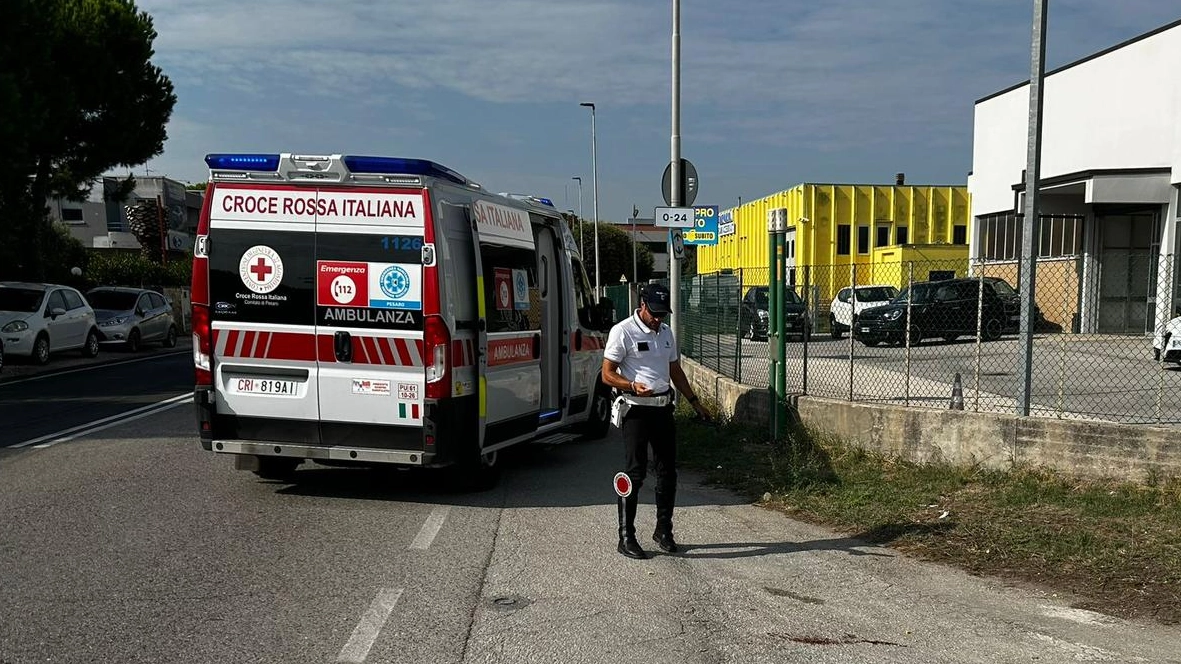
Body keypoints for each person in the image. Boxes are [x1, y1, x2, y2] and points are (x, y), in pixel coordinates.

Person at [601, 282, 711, 559]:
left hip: (662, 409)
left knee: (667, 472)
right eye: (654, 313)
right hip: (636, 410)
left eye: (663, 314)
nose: (658, 319)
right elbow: (606, 374)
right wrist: (630, 385)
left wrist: (695, 402)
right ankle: (626, 536)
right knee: (635, 474)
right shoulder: (622, 331)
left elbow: (675, 369)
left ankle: (664, 530)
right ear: (642, 305)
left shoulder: (666, 333)